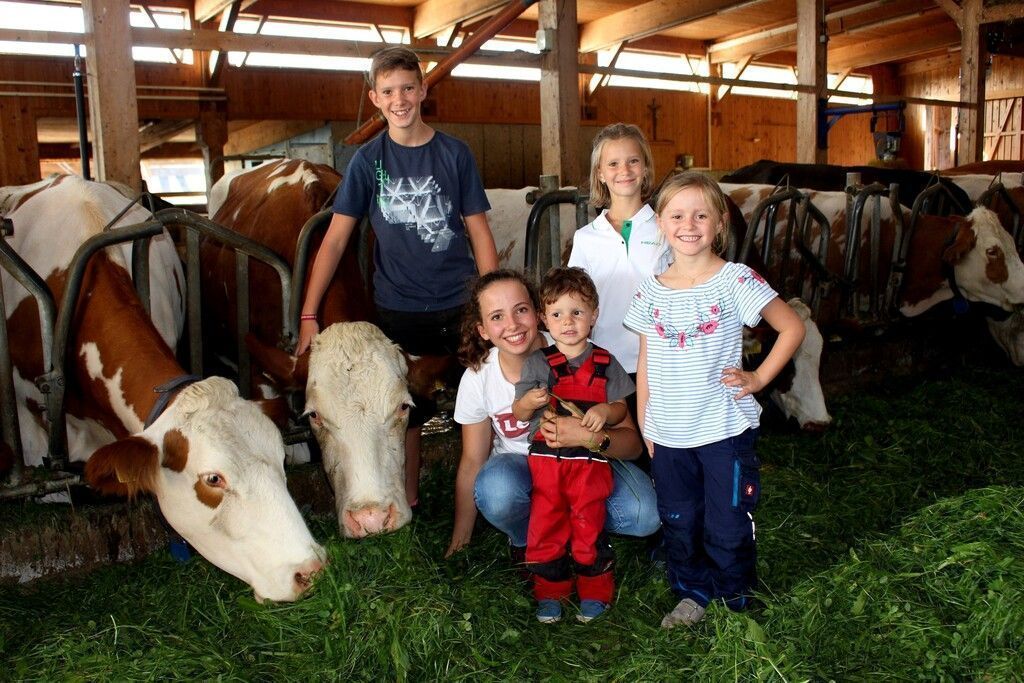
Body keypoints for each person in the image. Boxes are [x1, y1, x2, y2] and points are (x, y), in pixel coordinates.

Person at [296, 46, 499, 508]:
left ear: (424, 90)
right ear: (374, 98)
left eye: (408, 87)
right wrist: (309, 313)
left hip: (459, 302)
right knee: (402, 410)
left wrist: (492, 307)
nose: (400, 99)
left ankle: (486, 491)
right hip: (398, 309)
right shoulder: (368, 162)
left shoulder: (454, 154)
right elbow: (334, 240)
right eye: (388, 91)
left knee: (487, 389)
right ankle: (406, 498)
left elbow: (479, 231)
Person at [623, 172, 805, 629]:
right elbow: (646, 363)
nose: (689, 224)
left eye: (701, 214)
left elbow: (792, 327)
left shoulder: (735, 280)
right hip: (668, 432)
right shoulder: (651, 289)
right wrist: (647, 425)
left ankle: (734, 597)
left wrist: (759, 377)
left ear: (719, 223)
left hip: (723, 428)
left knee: (727, 521)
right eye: (677, 215)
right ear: (661, 223)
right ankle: (692, 592)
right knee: (679, 517)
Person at [445, 270, 660, 617]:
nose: (512, 324)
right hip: (529, 471)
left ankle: (581, 538)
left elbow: (633, 444)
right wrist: (460, 540)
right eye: (497, 317)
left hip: (590, 462)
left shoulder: (584, 351)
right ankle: (527, 543)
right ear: (483, 330)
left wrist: (591, 437)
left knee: (645, 514)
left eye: (521, 310)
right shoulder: (478, 379)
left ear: (537, 313)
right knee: (495, 488)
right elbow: (472, 460)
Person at [510, 267, 632, 623]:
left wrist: (605, 410)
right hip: (547, 466)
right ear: (545, 319)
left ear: (594, 316)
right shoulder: (537, 362)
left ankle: (595, 593)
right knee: (545, 527)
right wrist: (530, 402)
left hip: (590, 468)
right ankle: (550, 593)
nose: (568, 322)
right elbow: (518, 413)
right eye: (558, 313)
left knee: (588, 526)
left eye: (578, 312)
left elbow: (622, 408)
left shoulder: (607, 363)